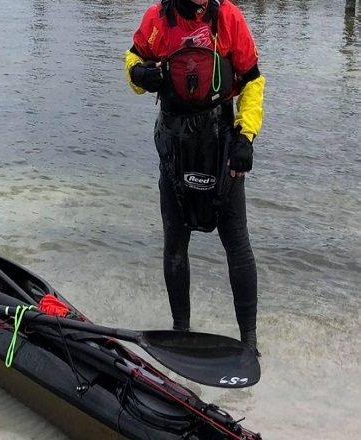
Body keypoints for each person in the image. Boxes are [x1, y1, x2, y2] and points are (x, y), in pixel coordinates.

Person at [124, 0, 265, 355]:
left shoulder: (229, 18)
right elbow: (133, 58)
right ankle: (181, 330)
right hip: (175, 147)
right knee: (175, 246)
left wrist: (246, 138)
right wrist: (139, 75)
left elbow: (253, 81)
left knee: (238, 246)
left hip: (221, 146)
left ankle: (249, 340)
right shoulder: (157, 19)